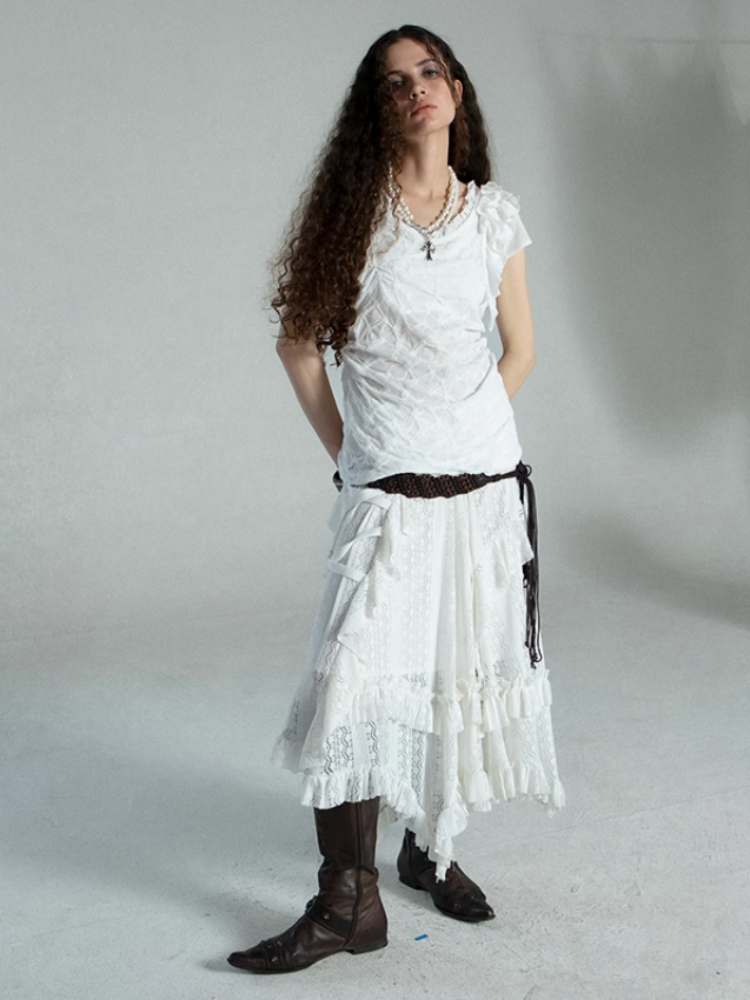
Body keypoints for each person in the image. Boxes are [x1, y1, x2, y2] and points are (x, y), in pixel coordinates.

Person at [227, 23, 567, 975]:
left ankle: (429, 847)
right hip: (388, 494)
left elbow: (520, 350)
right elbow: (300, 344)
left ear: (456, 89)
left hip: (485, 492)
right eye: (392, 82)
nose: (415, 88)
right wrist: (356, 452)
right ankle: (348, 905)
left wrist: (466, 430)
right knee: (357, 683)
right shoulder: (353, 215)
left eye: (429, 71)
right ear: (373, 111)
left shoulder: (494, 216)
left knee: (456, 669)